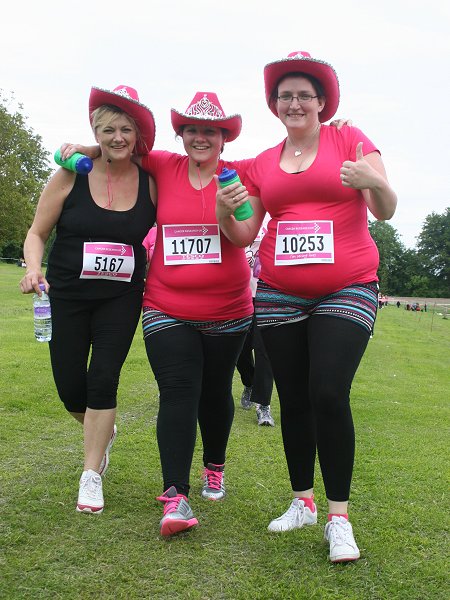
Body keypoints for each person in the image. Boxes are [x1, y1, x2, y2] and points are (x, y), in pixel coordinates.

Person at [216, 51, 397, 563]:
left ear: (322, 101)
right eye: (285, 95)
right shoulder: (258, 164)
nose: (294, 102)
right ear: (274, 105)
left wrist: (374, 182)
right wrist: (224, 214)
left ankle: (339, 517)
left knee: (327, 390)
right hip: (278, 290)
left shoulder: (350, 138)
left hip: (349, 285)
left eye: (304, 94)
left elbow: (386, 209)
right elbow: (244, 233)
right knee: (293, 397)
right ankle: (302, 501)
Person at [20, 85, 157, 515]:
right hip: (68, 296)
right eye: (107, 130)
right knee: (69, 387)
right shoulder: (68, 176)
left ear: (137, 134)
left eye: (125, 130)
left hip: (121, 297)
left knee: (103, 379)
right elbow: (37, 232)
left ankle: (91, 474)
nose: (117, 138)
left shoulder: (151, 181)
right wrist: (31, 268)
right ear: (95, 132)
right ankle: (103, 432)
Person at [236, 214, 275, 426]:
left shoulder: (272, 220)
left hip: (267, 295)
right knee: (239, 351)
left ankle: (263, 405)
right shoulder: (237, 216)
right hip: (238, 296)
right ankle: (249, 382)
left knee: (264, 351)